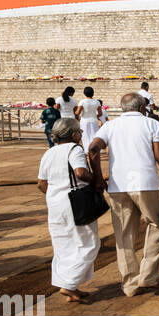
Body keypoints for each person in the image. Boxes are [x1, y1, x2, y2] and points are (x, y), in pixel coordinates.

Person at [88, 91, 159, 297]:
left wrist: (98, 177)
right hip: (146, 184)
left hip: (117, 186)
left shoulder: (110, 126)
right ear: (142, 107)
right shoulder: (151, 124)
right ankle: (147, 276)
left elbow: (92, 149)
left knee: (124, 234)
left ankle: (130, 283)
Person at [37, 116, 102, 305]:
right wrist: (95, 179)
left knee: (63, 246)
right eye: (80, 132)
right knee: (89, 243)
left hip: (55, 205)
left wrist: (57, 195)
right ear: (74, 135)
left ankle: (71, 287)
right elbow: (80, 172)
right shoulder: (75, 149)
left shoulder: (49, 153)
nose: (81, 135)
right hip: (75, 204)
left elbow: (41, 184)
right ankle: (69, 283)